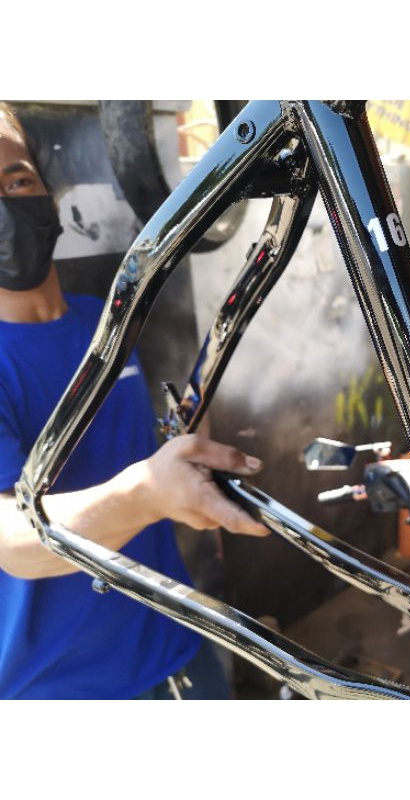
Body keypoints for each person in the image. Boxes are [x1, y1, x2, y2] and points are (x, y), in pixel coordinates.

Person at [0, 101, 268, 699]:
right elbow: (13, 543)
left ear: (47, 194)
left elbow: (128, 449)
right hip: (61, 690)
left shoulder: (104, 319)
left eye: (17, 181)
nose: (6, 208)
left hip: (176, 644)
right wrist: (148, 494)